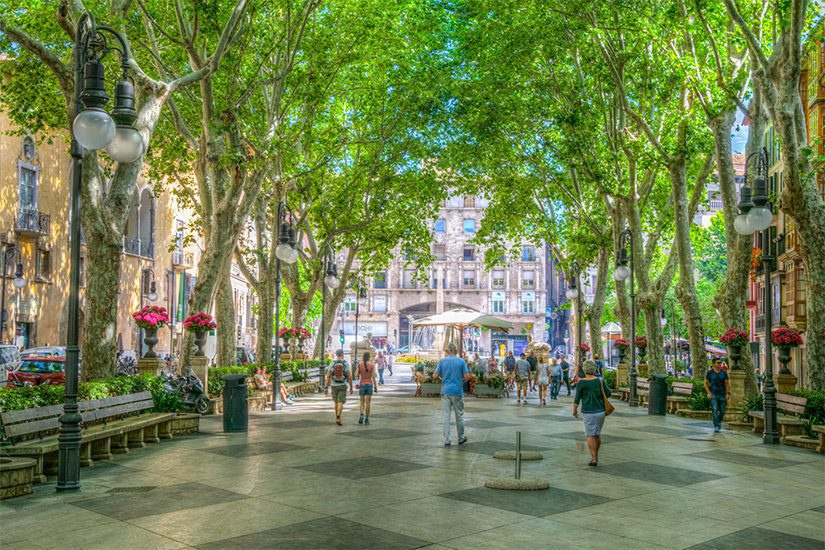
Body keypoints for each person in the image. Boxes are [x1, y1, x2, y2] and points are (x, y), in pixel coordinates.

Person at [572, 360, 612, 466]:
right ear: (595, 369)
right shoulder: (600, 381)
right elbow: (608, 393)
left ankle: (594, 458)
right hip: (600, 412)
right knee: (597, 434)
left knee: (590, 435)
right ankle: (596, 455)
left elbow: (577, 398)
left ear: (585, 370)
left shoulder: (581, 382)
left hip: (588, 412)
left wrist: (574, 410)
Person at [434, 342, 471, 446]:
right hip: (457, 391)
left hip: (445, 391)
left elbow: (435, 376)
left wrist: (443, 379)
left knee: (446, 416)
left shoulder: (442, 361)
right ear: (455, 350)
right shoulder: (461, 361)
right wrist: (461, 381)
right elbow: (467, 376)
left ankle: (446, 440)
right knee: (459, 415)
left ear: (449, 351)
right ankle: (461, 437)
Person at [324, 350, 354, 425]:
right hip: (343, 385)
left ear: (336, 355)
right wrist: (351, 386)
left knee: (336, 402)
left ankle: (336, 417)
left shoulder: (332, 363)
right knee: (340, 402)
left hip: (334, 385)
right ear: (342, 355)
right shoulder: (345, 363)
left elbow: (328, 376)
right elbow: (349, 376)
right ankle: (338, 416)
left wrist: (326, 387)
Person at [704, 357, 730, 433]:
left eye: (720, 363)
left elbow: (727, 384)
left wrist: (728, 393)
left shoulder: (723, 373)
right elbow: (705, 383)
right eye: (718, 363)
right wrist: (708, 392)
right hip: (713, 394)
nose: (720, 364)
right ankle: (716, 425)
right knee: (715, 409)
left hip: (722, 394)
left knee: (722, 411)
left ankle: (718, 421)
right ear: (713, 364)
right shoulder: (710, 373)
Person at [356, 351, 378, 425]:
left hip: (362, 384)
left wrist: (357, 378)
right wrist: (375, 387)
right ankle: (367, 419)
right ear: (369, 357)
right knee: (368, 403)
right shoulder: (372, 365)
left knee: (362, 402)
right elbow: (373, 377)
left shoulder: (360, 365)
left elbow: (356, 375)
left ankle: (362, 413)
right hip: (369, 384)